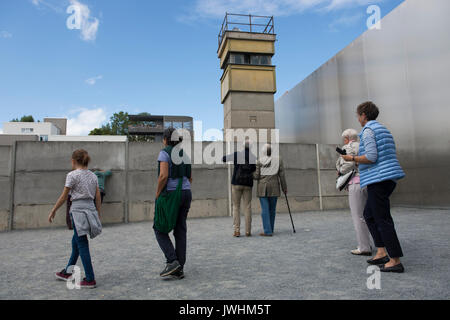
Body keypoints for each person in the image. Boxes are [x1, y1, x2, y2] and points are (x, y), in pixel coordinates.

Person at [342, 101, 406, 273]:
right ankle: (381, 251)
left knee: (382, 218)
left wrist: (352, 159)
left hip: (379, 178)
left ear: (363, 114)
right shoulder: (383, 129)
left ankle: (395, 260)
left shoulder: (368, 131)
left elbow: (371, 157)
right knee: (369, 214)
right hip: (387, 177)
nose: (357, 118)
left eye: (358, 115)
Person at [49, 149, 102, 288]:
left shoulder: (71, 175)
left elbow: (64, 196)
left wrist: (53, 210)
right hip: (90, 210)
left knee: (81, 243)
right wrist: (98, 213)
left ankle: (90, 278)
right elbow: (97, 196)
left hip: (77, 212)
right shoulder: (93, 176)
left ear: (73, 161)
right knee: (76, 242)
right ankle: (67, 271)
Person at [154, 128, 192, 280]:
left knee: (159, 228)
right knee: (180, 230)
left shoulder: (164, 152)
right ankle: (179, 268)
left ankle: (172, 261)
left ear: (165, 139)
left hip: (171, 195)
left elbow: (163, 176)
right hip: (186, 193)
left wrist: (157, 194)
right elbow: (190, 178)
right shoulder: (185, 154)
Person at [336, 129, 372, 256]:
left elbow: (347, 165)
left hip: (356, 182)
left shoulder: (348, 147)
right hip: (369, 181)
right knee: (369, 215)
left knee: (358, 216)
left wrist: (339, 170)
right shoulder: (363, 145)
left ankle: (364, 247)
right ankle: (375, 244)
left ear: (346, 138)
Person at [222, 138, 256, 237]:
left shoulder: (237, 154)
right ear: (251, 147)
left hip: (236, 183)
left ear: (242, 146)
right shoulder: (253, 157)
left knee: (236, 207)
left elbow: (223, 159)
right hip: (248, 184)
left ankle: (237, 231)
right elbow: (254, 170)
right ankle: (248, 231)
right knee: (248, 207)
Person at [253, 144, 287, 237]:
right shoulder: (278, 160)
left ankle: (267, 231)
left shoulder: (259, 161)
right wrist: (284, 188)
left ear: (263, 152)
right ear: (271, 151)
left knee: (265, 209)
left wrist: (251, 173)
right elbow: (282, 175)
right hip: (274, 187)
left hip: (262, 188)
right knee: (272, 209)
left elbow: (256, 176)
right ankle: (271, 229)